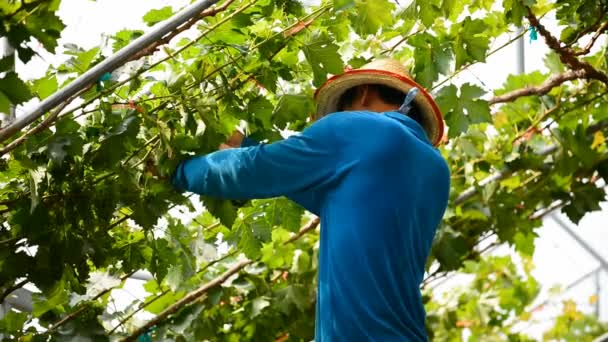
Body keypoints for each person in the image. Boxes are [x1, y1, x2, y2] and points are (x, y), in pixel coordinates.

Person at [171, 59, 450, 341]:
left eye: (342, 107)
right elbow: (314, 185)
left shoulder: (357, 128)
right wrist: (241, 143)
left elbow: (257, 171)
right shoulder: (436, 169)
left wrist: (178, 170)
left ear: (363, 92)